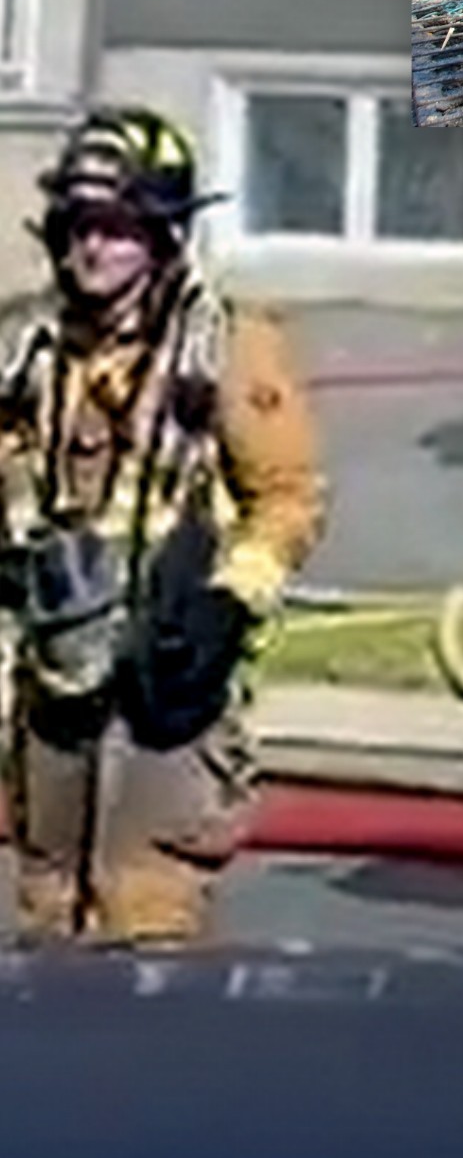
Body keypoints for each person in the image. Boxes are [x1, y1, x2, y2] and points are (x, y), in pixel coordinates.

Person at [0, 107, 328, 948]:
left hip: (171, 679)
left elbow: (288, 497)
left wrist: (229, 601)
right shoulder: (27, 350)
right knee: (44, 906)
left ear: (160, 233)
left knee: (148, 910)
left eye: (115, 227)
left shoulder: (226, 345)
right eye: (77, 227)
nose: (92, 248)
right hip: (57, 677)